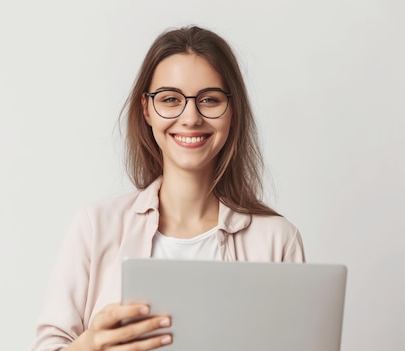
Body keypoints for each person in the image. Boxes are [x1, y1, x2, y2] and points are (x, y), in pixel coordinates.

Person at [29, 25, 305, 351]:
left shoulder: (276, 240)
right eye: (171, 99)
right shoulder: (95, 227)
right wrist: (89, 346)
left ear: (233, 111)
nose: (190, 118)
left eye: (210, 100)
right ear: (146, 109)